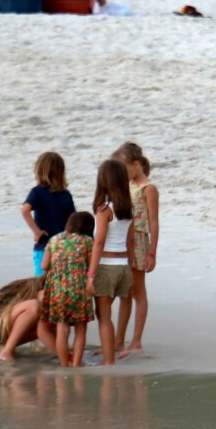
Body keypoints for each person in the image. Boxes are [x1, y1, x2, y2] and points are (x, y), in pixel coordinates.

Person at [112, 143, 160, 358]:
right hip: (124, 241)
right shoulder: (128, 185)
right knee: (124, 292)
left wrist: (152, 253)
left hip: (139, 241)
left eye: (124, 169)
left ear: (137, 164)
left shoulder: (148, 188)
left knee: (138, 293)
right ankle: (118, 341)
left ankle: (136, 341)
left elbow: (154, 222)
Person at [87, 160, 134, 365]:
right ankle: (111, 349)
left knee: (103, 316)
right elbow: (130, 241)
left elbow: (99, 242)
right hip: (123, 266)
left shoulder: (104, 209)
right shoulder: (127, 208)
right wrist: (130, 269)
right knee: (105, 313)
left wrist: (90, 274)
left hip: (106, 266)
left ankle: (108, 361)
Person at [39, 211, 96, 367]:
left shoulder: (54, 240)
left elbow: (43, 266)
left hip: (57, 289)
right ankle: (76, 364)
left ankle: (64, 364)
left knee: (62, 329)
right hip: (79, 288)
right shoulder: (87, 241)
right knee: (80, 328)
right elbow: (92, 266)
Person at [22, 152, 76, 276]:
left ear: (39, 171)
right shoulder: (66, 195)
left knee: (42, 284)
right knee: (61, 283)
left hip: (44, 245)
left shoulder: (37, 192)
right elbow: (73, 222)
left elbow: (25, 210)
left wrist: (36, 232)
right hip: (63, 248)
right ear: (62, 173)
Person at [0, 275, 46, 361]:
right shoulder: (44, 290)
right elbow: (43, 332)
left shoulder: (36, 285)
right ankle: (7, 352)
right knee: (33, 306)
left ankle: (3, 347)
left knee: (47, 322)